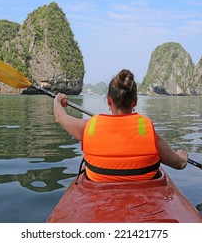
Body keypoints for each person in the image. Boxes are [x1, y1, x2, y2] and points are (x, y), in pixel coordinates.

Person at [54, 69, 188, 182]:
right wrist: (182, 156)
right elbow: (180, 164)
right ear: (134, 102)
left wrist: (58, 101)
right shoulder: (148, 132)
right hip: (144, 201)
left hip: (98, 198)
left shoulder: (89, 127)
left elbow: (60, 117)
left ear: (108, 100)